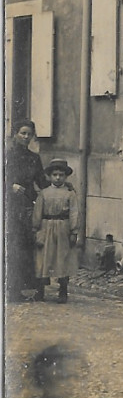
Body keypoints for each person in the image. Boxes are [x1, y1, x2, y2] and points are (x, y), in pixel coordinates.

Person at [5, 118, 48, 302]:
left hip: (27, 205)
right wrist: (10, 186)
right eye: (23, 133)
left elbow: (41, 181)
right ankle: (11, 290)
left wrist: (59, 188)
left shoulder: (34, 158)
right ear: (15, 134)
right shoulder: (6, 155)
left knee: (27, 247)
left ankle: (26, 288)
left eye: (29, 134)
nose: (26, 137)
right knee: (12, 247)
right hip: (9, 206)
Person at [32, 159, 80, 303]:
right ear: (49, 176)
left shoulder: (70, 194)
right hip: (46, 227)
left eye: (61, 175)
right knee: (43, 258)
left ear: (65, 177)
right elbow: (37, 213)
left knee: (62, 258)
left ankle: (63, 291)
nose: (58, 178)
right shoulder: (44, 193)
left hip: (63, 228)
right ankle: (40, 291)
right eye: (55, 175)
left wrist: (74, 231)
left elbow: (74, 213)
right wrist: (35, 230)